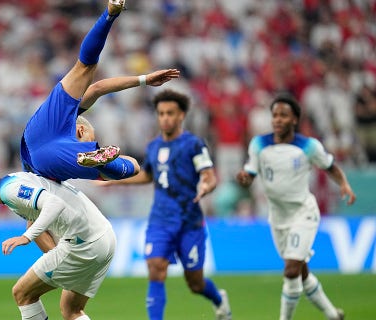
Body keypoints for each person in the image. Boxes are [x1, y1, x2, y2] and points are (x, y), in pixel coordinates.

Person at [97, 89, 231, 320]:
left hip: (189, 222)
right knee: (156, 269)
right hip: (160, 221)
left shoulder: (193, 145)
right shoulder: (154, 147)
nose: (165, 118)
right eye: (161, 113)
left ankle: (219, 299)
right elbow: (148, 175)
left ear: (181, 116)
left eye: (170, 113)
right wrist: (117, 180)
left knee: (195, 283)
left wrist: (206, 186)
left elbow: (208, 175)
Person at [236, 94, 354, 320]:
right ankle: (332, 315)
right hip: (278, 218)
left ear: (294, 120)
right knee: (301, 272)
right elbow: (250, 174)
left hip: (303, 213)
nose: (278, 120)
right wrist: (244, 178)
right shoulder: (258, 144)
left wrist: (344, 184)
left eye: (284, 115)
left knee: (291, 270)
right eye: (275, 115)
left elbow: (330, 166)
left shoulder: (309, 146)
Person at [0, 158, 115, 320]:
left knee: (22, 293)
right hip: (105, 236)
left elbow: (54, 203)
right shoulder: (15, 181)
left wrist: (26, 238)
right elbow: (37, 215)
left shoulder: (10, 190)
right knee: (71, 310)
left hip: (84, 242)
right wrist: (53, 254)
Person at [21, 0, 146, 182]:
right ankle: (101, 162)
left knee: (84, 67)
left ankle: (109, 14)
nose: (93, 142)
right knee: (119, 169)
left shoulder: (65, 119)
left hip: (36, 140)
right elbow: (133, 167)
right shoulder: (77, 153)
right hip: (53, 159)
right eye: (92, 139)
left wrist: (144, 80)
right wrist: (143, 79)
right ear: (79, 130)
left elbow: (97, 88)